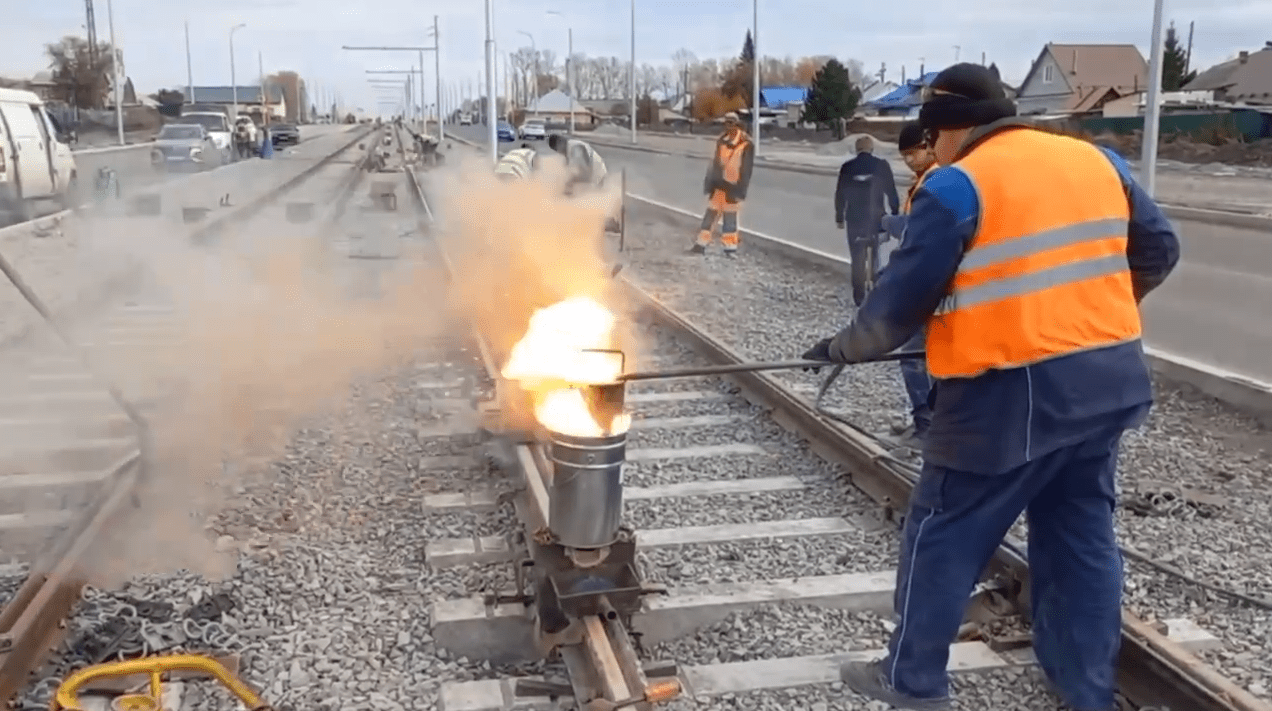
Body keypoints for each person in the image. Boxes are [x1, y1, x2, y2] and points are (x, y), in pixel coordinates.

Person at [800, 63, 1180, 711]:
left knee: (943, 532)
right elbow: (1160, 250)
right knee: (1080, 536)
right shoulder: (1097, 161)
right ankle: (1086, 690)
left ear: (952, 128)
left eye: (932, 132)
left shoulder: (956, 185)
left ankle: (912, 681)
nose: (932, 146)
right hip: (1106, 385)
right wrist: (1089, 318)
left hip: (1005, 397)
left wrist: (841, 347)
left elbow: (897, 307)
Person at [879, 122, 938, 449]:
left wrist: (888, 222)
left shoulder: (938, 180)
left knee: (915, 356)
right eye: (904, 156)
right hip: (923, 280)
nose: (909, 161)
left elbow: (919, 230)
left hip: (928, 285)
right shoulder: (924, 181)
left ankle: (926, 427)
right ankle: (928, 423)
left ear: (929, 146)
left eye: (913, 153)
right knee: (923, 356)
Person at [835, 135, 900, 307]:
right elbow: (891, 191)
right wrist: (895, 212)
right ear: (872, 149)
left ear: (856, 150)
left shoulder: (847, 168)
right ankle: (875, 292)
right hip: (877, 218)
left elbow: (840, 194)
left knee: (857, 258)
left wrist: (839, 217)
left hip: (855, 220)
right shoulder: (882, 166)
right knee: (877, 253)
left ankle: (858, 297)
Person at [690, 112, 754, 258]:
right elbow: (714, 163)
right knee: (710, 216)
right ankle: (701, 244)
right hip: (718, 186)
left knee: (730, 220)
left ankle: (730, 249)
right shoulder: (722, 141)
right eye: (726, 123)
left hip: (733, 187)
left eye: (731, 123)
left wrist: (741, 190)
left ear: (737, 124)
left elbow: (746, 170)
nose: (728, 126)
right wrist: (709, 183)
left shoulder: (746, 143)